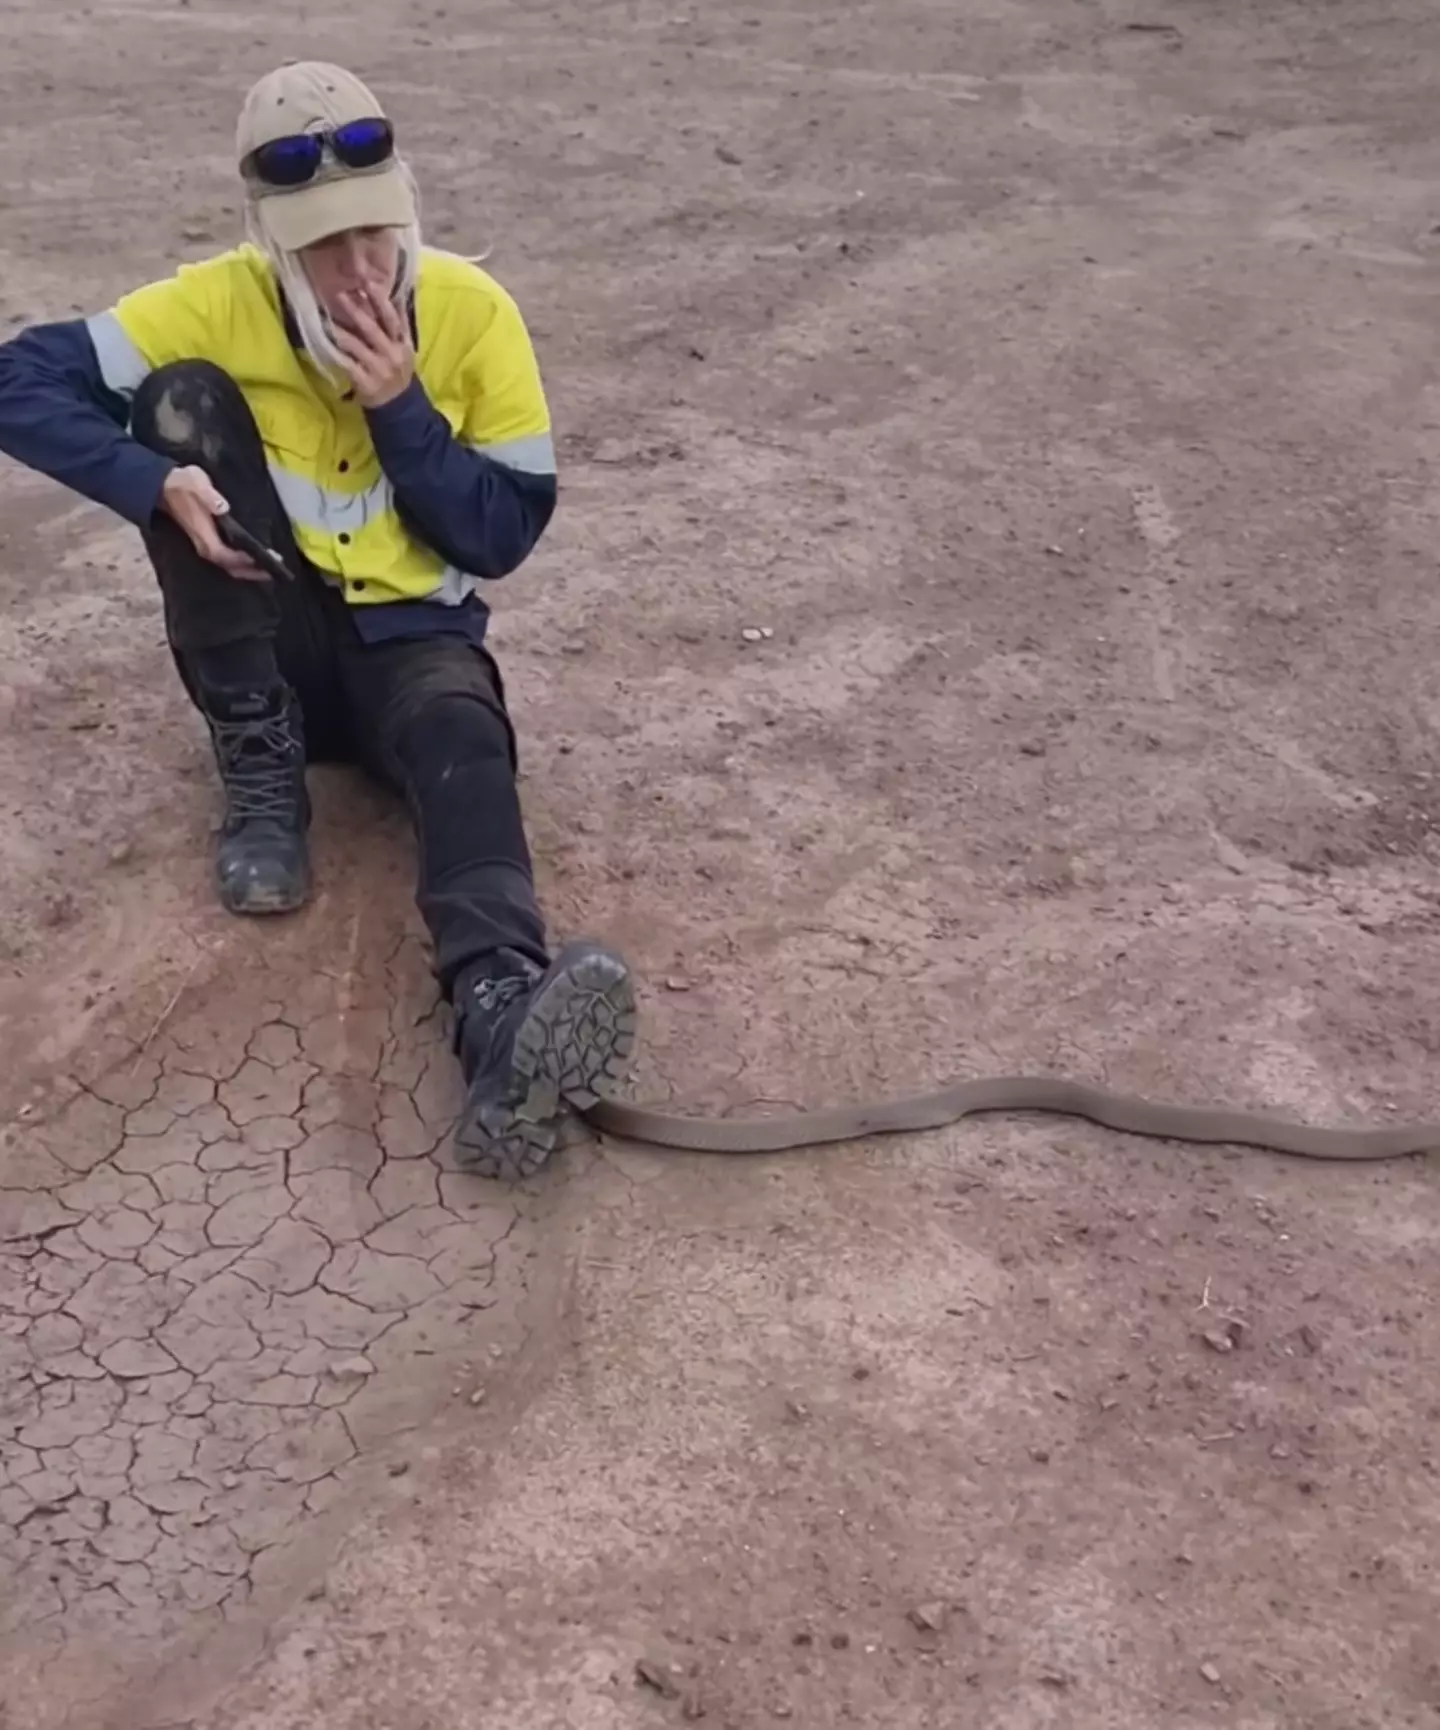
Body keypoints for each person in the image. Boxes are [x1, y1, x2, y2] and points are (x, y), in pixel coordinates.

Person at [0, 62, 635, 1182]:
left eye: (374, 234)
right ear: (272, 243)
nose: (356, 271)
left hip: (412, 647)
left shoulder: (476, 316)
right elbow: (17, 379)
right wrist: (152, 480)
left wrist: (402, 410)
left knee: (463, 736)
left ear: (407, 213)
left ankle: (500, 1015)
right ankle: (261, 768)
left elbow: (501, 535)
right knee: (173, 406)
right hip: (270, 635)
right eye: (322, 247)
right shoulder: (217, 298)